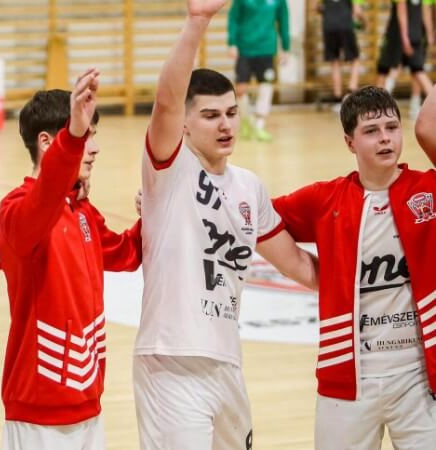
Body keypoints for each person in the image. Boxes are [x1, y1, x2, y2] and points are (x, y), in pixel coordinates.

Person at [136, 1, 319, 448]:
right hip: (171, 363)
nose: (226, 125)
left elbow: (297, 264)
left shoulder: (249, 187)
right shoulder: (169, 168)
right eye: (211, 115)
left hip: (227, 362)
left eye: (232, 113)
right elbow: (166, 100)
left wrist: (368, 287)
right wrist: (197, 23)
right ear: (184, 123)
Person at [273, 86, 436, 449]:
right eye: (371, 131)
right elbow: (257, 218)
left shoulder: (429, 190)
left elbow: (427, 125)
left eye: (392, 128)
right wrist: (304, 270)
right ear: (350, 143)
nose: (385, 138)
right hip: (347, 379)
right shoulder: (324, 199)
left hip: (419, 378)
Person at [0, 68, 144, 447]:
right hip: (38, 414)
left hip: (89, 404)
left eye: (92, 135)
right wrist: (73, 138)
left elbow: (129, 253)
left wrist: (156, 209)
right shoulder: (16, 209)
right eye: (84, 136)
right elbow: (44, 197)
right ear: (48, 143)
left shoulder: (81, 210)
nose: (93, 148)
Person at [227, 0, 290, 142]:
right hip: (245, 48)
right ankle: (246, 120)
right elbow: (233, 18)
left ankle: (260, 125)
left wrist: (285, 48)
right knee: (241, 89)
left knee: (266, 86)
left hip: (266, 49)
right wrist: (232, 43)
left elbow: (284, 21)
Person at [375, 0, 434, 111]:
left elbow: (401, 10)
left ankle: (380, 103)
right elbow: (426, 13)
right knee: (416, 70)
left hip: (400, 35)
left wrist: (405, 37)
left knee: (400, 69)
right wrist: (430, 35)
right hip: (417, 34)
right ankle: (414, 105)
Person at [318, 0, 365, 111]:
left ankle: (337, 99)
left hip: (329, 26)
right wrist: (364, 21)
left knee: (334, 61)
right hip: (345, 24)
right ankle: (351, 94)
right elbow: (357, 10)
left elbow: (318, 7)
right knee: (355, 59)